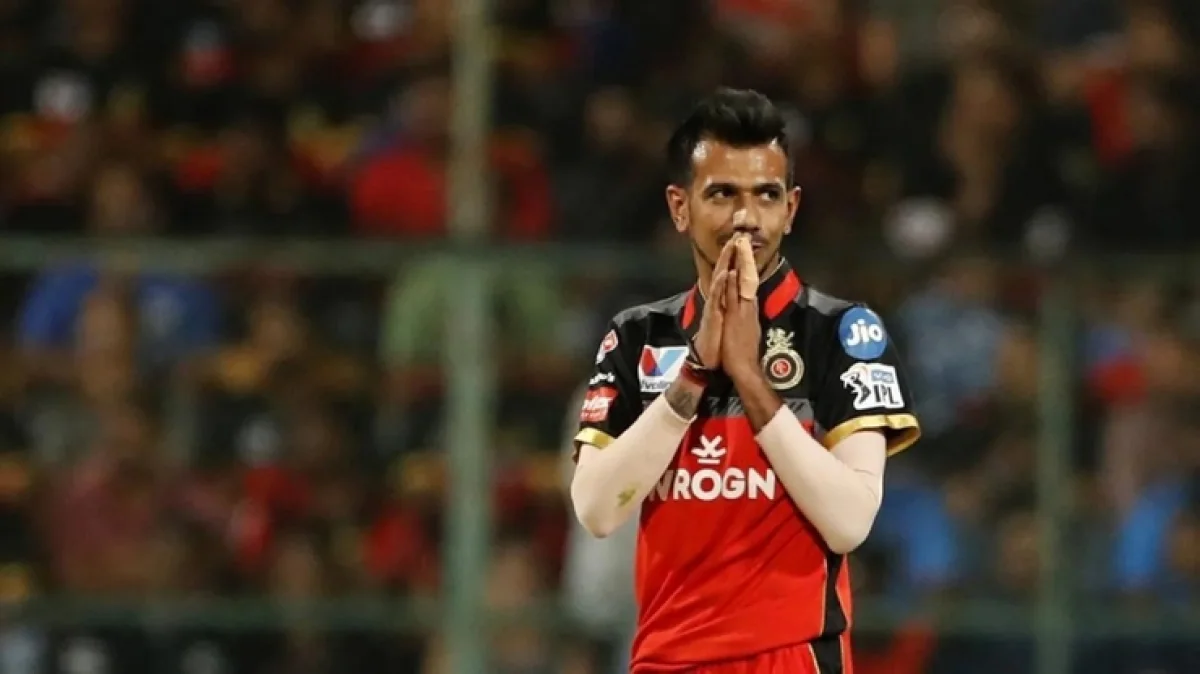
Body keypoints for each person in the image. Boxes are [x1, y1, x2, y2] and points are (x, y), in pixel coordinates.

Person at [569, 89, 922, 674]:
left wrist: (750, 380)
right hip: (666, 660)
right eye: (722, 194)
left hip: (791, 658)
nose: (746, 217)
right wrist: (692, 378)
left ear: (791, 208)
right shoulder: (638, 336)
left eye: (766, 194)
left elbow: (849, 522)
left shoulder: (841, 332)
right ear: (680, 207)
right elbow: (597, 510)